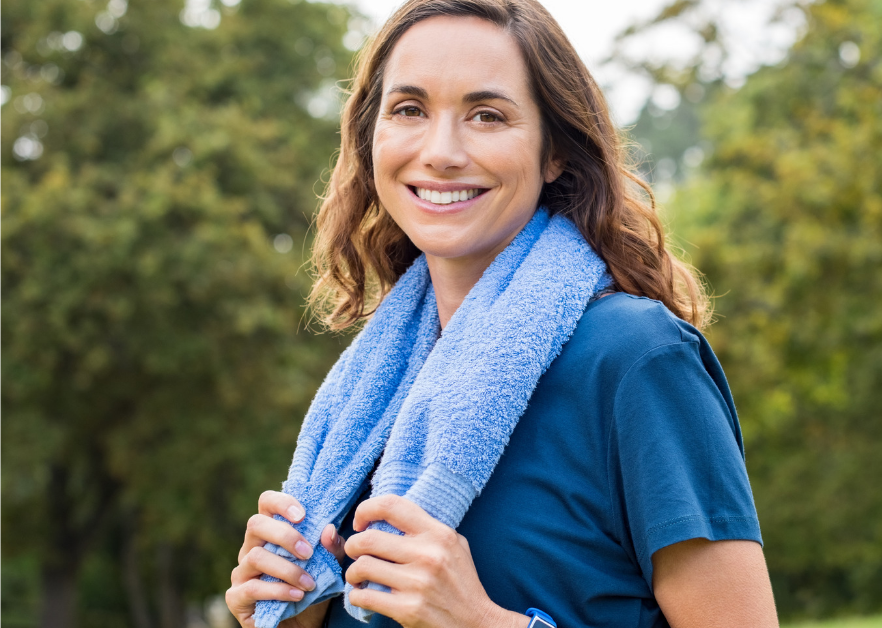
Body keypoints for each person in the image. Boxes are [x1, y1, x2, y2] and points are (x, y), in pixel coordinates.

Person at [225, 1, 776, 626]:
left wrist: (481, 621)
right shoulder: (372, 397)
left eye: (487, 115)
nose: (441, 151)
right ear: (371, 137)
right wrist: (291, 614)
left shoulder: (637, 358)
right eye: (409, 109)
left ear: (555, 152)